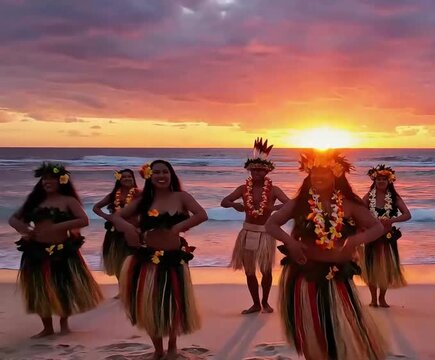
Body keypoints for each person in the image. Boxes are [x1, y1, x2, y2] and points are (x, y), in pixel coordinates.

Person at [265, 149, 388, 360]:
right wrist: (291, 242)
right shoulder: (300, 203)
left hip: (338, 277)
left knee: (339, 329)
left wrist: (354, 241)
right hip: (306, 275)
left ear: (336, 175)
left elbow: (377, 227)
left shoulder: (350, 204)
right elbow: (271, 224)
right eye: (314, 172)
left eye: (324, 173)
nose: (318, 177)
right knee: (313, 330)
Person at [112, 160, 208, 359]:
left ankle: (172, 346)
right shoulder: (144, 200)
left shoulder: (181, 197)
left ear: (171, 175)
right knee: (151, 307)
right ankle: (157, 349)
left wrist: (177, 227)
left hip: (173, 261)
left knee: (173, 305)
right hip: (149, 260)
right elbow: (118, 217)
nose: (161, 175)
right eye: (156, 172)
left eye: (165, 171)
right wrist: (130, 229)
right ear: (149, 176)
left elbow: (201, 215)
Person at [8, 162, 103, 338]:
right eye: (44, 179)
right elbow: (13, 219)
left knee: (62, 288)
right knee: (40, 290)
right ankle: (47, 328)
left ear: (61, 181)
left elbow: (83, 220)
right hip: (36, 251)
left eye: (51, 179)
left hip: (62, 252)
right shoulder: (34, 201)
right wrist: (25, 230)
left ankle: (63, 324)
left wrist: (60, 226)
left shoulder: (69, 201)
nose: (47, 182)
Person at [221, 138, 289, 314]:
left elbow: (290, 204)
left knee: (266, 270)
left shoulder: (274, 190)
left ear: (267, 171)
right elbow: (224, 201)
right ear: (249, 170)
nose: (257, 173)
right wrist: (234, 205)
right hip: (247, 231)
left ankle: (265, 302)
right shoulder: (243, 189)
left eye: (260, 170)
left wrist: (273, 208)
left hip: (266, 233)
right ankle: (255, 304)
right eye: (254, 170)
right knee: (249, 271)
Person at [361, 164, 411, 307]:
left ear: (389, 181)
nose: (381, 182)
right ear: (374, 181)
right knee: (371, 269)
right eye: (378, 179)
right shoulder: (369, 196)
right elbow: (359, 212)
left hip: (386, 238)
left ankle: (382, 298)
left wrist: (392, 220)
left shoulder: (394, 198)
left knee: (385, 269)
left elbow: (408, 214)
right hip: (371, 238)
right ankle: (373, 299)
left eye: (384, 179)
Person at [92, 169, 140, 296]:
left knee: (133, 263)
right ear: (119, 179)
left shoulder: (139, 194)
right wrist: (109, 217)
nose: (127, 179)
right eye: (124, 177)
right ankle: (122, 291)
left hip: (133, 232)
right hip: (115, 234)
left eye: (129, 176)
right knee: (119, 263)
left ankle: (133, 290)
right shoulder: (113, 195)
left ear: (133, 178)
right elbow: (96, 207)